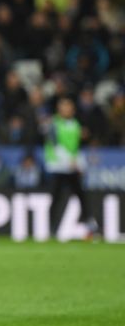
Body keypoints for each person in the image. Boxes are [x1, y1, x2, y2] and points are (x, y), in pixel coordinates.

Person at [44, 96, 98, 239]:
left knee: (81, 196)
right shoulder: (53, 124)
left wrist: (80, 163)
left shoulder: (75, 124)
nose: (66, 109)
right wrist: (71, 162)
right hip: (57, 166)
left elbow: (75, 148)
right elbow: (56, 147)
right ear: (59, 109)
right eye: (63, 107)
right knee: (56, 198)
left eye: (68, 107)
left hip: (71, 167)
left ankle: (90, 226)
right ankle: (51, 228)